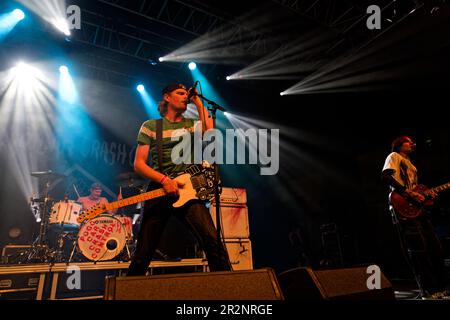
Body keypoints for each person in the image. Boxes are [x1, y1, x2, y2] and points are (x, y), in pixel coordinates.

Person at [127, 83, 231, 276]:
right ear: (167, 97)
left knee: (212, 242)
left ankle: (231, 293)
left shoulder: (192, 125)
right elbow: (139, 164)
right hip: (159, 188)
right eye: (180, 93)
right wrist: (165, 179)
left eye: (186, 93)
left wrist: (198, 102)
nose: (185, 96)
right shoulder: (151, 126)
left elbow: (210, 134)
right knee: (144, 251)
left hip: (188, 190)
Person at [381, 135, 448, 298]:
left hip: (417, 209)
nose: (412, 143)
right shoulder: (394, 156)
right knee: (418, 250)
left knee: (434, 247)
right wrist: (408, 193)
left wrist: (427, 196)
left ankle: (441, 287)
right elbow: (386, 176)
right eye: (408, 141)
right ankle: (427, 291)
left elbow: (417, 188)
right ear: (399, 145)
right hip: (402, 206)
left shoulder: (411, 164)